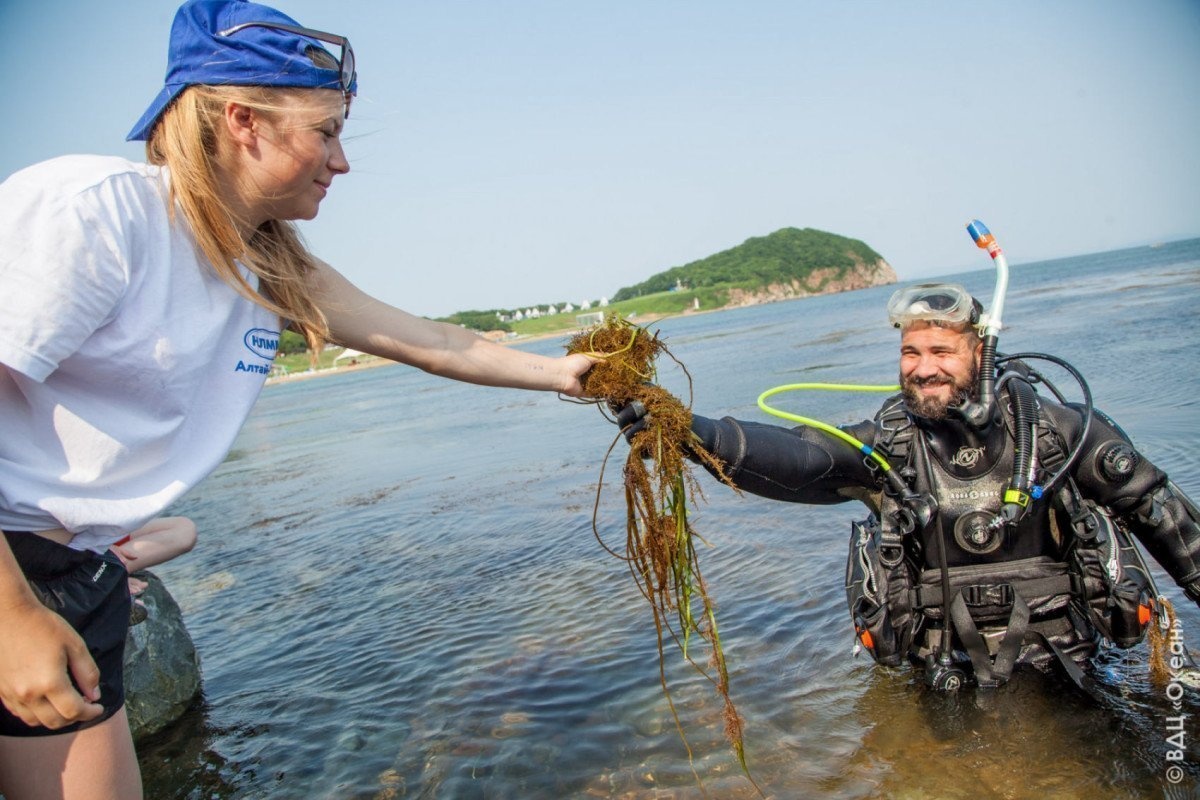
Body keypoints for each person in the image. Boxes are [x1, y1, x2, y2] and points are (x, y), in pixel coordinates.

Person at [0, 1, 592, 797]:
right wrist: (11, 618)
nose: (340, 161)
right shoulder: (95, 210)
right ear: (244, 120)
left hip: (74, 577)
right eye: (326, 131)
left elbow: (438, 341)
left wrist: (563, 373)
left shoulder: (267, 266)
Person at [616, 282, 1200, 692]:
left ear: (982, 351)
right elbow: (800, 459)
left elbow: (1170, 523)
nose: (923, 368)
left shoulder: (1060, 433)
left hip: (1069, 664)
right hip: (941, 668)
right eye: (910, 352)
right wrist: (683, 428)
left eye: (942, 351)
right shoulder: (886, 445)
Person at [112, 517, 199, 604]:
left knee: (184, 530)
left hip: (107, 537)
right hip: (103, 551)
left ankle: (112, 570)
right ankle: (110, 573)